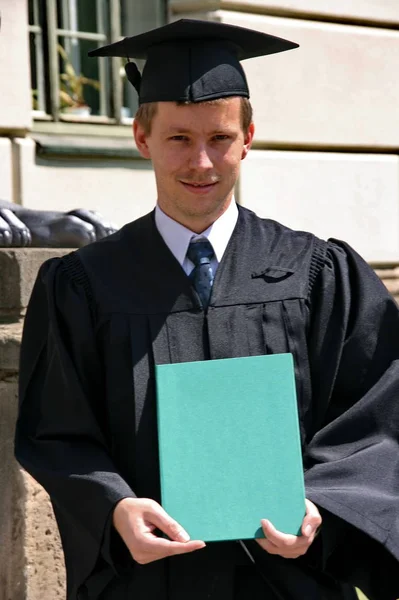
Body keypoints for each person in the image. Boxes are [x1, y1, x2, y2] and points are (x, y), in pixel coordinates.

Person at [14, 18, 399, 600]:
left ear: (248, 137)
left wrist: (322, 506)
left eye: (219, 138)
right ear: (142, 139)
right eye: (178, 139)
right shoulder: (82, 285)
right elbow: (55, 427)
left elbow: (373, 416)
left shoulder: (318, 274)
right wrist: (115, 508)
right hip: (147, 583)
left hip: (290, 581)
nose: (201, 162)